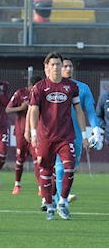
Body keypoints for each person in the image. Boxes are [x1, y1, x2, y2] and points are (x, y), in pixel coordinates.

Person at [29, 51, 89, 220]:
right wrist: (33, 133)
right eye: (53, 64)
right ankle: (49, 205)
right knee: (46, 172)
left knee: (70, 167)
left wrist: (84, 134)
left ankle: (62, 202)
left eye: (59, 64)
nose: (56, 67)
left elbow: (78, 110)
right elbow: (33, 111)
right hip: (45, 137)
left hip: (66, 136)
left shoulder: (71, 87)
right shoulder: (39, 87)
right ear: (47, 66)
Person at [54, 57, 101, 205]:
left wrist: (96, 130)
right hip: (56, 134)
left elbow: (91, 112)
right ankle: (62, 199)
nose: (68, 69)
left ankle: (59, 196)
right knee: (60, 166)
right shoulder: (52, 87)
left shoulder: (83, 88)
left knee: (70, 167)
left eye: (70, 66)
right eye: (65, 66)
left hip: (76, 135)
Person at [6, 75, 42, 195]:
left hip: (36, 133)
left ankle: (41, 188)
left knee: (37, 160)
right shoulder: (20, 93)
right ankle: (17, 184)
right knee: (20, 159)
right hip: (21, 132)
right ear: (30, 86)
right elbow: (7, 109)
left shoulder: (42, 95)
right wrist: (21, 108)